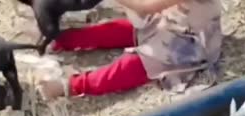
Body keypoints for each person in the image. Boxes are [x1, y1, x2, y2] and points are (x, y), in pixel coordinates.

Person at [38, 0, 223, 103]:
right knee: (121, 29)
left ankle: (71, 85)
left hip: (187, 42)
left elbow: (145, 7)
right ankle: (63, 40)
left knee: (133, 64)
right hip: (169, 20)